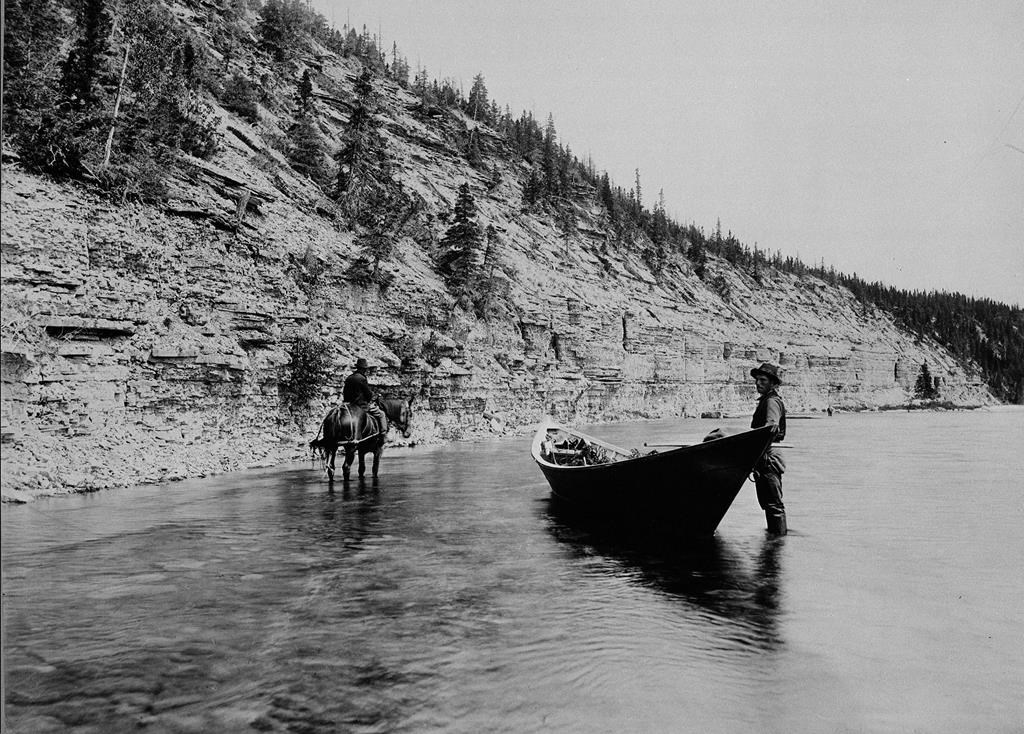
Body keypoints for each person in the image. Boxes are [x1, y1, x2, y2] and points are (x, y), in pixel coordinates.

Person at [750, 362, 787, 535]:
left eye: (763, 380)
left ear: (773, 383)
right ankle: (775, 539)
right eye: (757, 380)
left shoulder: (772, 401)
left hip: (769, 456)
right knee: (768, 502)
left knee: (773, 503)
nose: (758, 383)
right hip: (764, 454)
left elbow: (771, 427)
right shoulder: (767, 400)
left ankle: (777, 539)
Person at [343, 357, 387, 434]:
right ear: (364, 369)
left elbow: (345, 393)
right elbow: (368, 394)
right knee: (381, 414)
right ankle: (383, 433)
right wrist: (373, 396)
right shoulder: (362, 378)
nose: (366, 371)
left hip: (348, 405)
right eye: (365, 369)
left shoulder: (349, 378)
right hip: (360, 406)